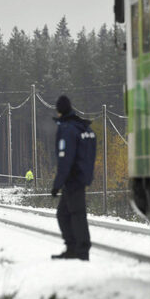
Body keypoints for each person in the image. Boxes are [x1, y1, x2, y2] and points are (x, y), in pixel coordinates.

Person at [50, 95, 97, 261]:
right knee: (64, 214)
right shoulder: (83, 128)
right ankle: (72, 247)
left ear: (59, 110)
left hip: (73, 179)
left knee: (76, 214)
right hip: (80, 177)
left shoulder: (68, 129)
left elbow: (65, 158)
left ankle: (81, 250)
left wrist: (58, 183)